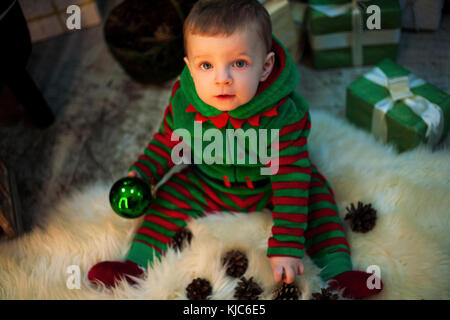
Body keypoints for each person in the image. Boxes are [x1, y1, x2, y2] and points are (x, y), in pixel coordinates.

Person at [88, 0, 383, 299]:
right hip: (207, 182)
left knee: (315, 196)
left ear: (265, 67)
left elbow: (290, 176)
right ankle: (135, 265)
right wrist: (143, 173)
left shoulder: (283, 114)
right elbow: (168, 140)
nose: (222, 78)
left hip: (269, 184)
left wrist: (286, 244)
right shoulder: (185, 100)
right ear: (189, 66)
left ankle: (338, 271)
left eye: (239, 63)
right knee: (167, 200)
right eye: (206, 65)